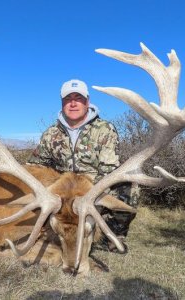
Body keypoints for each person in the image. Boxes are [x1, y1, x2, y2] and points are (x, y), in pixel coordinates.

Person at [28, 79, 139, 252]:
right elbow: (36, 165)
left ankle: (111, 235)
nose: (73, 103)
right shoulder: (51, 134)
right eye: (67, 99)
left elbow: (108, 169)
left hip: (92, 189)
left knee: (128, 187)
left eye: (78, 98)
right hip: (62, 193)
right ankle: (48, 228)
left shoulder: (104, 129)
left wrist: (87, 196)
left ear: (87, 101)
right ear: (62, 103)